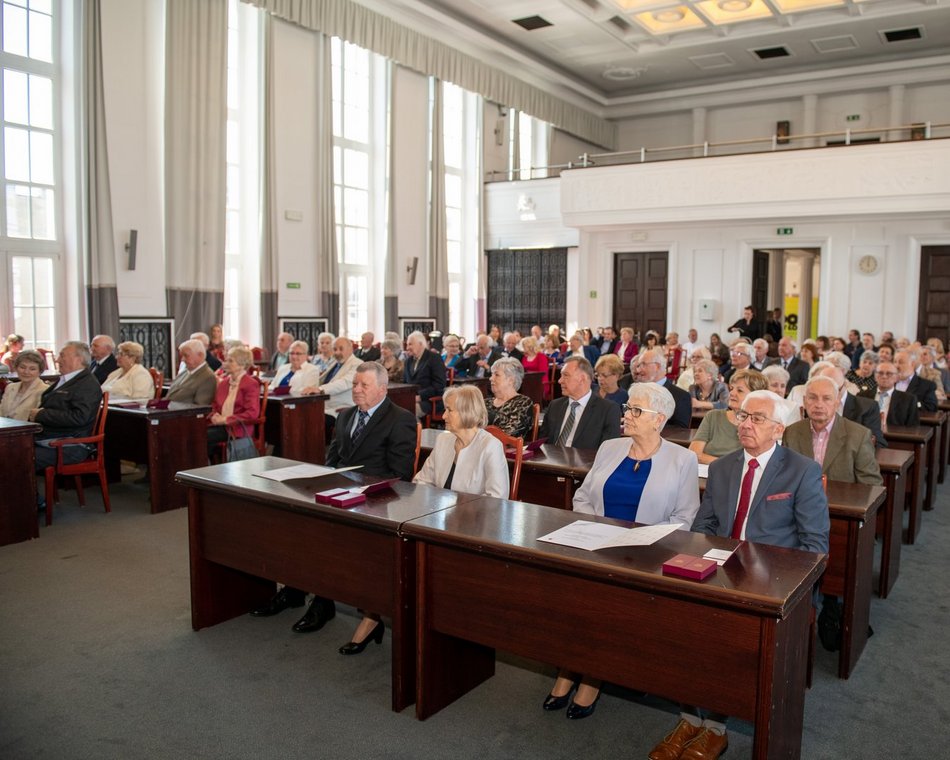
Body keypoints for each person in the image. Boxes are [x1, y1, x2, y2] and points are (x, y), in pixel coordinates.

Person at [651, 390, 828, 760]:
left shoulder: (801, 470)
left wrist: (775, 582)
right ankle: (689, 718)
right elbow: (704, 526)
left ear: (779, 428)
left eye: (757, 419)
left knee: (727, 641)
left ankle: (714, 727)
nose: (745, 424)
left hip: (771, 581)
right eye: (743, 416)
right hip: (719, 567)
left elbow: (814, 547)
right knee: (678, 619)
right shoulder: (723, 466)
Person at [545, 383, 700, 720]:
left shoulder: (682, 459)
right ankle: (569, 666)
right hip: (596, 546)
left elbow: (684, 518)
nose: (625, 415)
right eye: (627, 408)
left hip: (647, 557)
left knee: (605, 606)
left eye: (635, 411)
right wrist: (595, 530)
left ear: (658, 419)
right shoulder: (610, 447)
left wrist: (647, 543)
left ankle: (591, 677)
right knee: (573, 600)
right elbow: (583, 496)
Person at [253, 363, 416, 643]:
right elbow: (332, 462)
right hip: (339, 493)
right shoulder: (345, 417)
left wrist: (357, 490)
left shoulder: (399, 418)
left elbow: (399, 474)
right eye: (354, 384)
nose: (357, 390)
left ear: (382, 389)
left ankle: (322, 600)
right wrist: (320, 482)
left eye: (364, 385)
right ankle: (295, 589)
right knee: (295, 517)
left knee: (326, 533)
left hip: (375, 500)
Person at [784, 376, 882, 486]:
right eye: (812, 398)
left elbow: (871, 485)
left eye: (826, 399)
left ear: (837, 403)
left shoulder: (859, 436)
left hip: (843, 501)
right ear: (804, 401)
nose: (819, 405)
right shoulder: (791, 432)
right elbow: (784, 477)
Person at [414, 384, 508, 498]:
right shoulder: (443, 440)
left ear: (466, 411)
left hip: (475, 515)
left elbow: (497, 497)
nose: (443, 416)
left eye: (449, 410)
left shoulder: (490, 446)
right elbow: (422, 481)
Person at [29, 342, 103, 472]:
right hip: (50, 439)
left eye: (62, 356)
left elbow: (80, 417)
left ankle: (29, 493)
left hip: (70, 445)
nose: (57, 360)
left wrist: (41, 414)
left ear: (78, 359)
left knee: (18, 458)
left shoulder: (87, 384)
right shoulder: (65, 380)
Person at [538, 356, 621, 449]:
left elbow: (608, 451)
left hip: (585, 462)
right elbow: (542, 444)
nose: (560, 380)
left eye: (566, 375)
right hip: (549, 462)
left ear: (582, 378)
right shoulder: (555, 406)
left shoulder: (607, 410)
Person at [689, 369, 768, 464]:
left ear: (755, 396)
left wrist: (713, 461)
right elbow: (694, 454)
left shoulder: (761, 424)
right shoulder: (713, 416)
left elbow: (751, 463)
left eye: (739, 390)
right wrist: (727, 466)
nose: (732, 393)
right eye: (731, 388)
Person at [206, 346, 260, 458]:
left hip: (237, 428)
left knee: (202, 438)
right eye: (226, 360)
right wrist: (213, 416)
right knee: (194, 433)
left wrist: (226, 420)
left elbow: (252, 413)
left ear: (242, 364)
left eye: (230, 361)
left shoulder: (250, 384)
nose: (225, 363)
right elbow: (214, 405)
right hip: (220, 425)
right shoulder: (224, 383)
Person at [302, 335, 363, 420]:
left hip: (340, 409)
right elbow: (321, 381)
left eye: (341, 349)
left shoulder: (358, 364)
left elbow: (344, 383)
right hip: (322, 405)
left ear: (350, 349)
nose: (337, 352)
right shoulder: (335, 363)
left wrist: (320, 389)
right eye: (334, 349)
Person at [636, 348, 692, 429]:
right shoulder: (637, 391)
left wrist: (649, 426)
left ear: (657, 366)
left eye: (644, 364)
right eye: (639, 365)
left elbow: (681, 430)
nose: (639, 370)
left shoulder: (681, 396)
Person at [486, 357, 534, 439]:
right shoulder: (485, 402)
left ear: (511, 380)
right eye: (491, 374)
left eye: (496, 375)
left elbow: (508, 434)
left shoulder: (522, 403)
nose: (491, 378)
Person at [403, 331, 446, 417]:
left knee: (407, 412)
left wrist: (420, 397)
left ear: (420, 344)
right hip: (411, 399)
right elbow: (405, 382)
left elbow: (439, 385)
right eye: (407, 344)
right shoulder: (408, 361)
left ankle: (417, 430)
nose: (407, 348)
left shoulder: (434, 358)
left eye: (410, 344)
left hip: (429, 401)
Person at [865, 361, 919, 428]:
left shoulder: (908, 399)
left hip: (893, 436)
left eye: (889, 374)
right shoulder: (863, 395)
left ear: (897, 377)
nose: (884, 376)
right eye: (880, 373)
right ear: (875, 377)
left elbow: (913, 427)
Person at [166, 339, 217, 405]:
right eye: (182, 356)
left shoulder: (208, 377)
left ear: (200, 355)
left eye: (186, 356)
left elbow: (199, 407)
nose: (182, 360)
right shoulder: (185, 371)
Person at [0, 350, 48, 420]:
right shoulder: (10, 387)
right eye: (22, 367)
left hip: (26, 430)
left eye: (32, 369)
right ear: (16, 368)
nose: (26, 372)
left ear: (40, 371)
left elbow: (36, 420)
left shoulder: (45, 390)